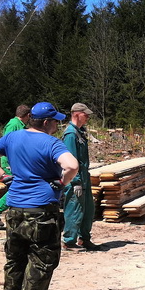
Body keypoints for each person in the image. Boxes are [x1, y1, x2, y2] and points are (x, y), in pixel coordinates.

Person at [0, 102, 79, 290]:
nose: (57, 126)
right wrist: (62, 182)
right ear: (46, 122)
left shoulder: (13, 137)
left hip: (15, 209)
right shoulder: (52, 143)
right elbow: (72, 165)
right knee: (42, 260)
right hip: (42, 210)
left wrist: (3, 176)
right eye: (55, 122)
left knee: (15, 259)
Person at [0, 104, 31, 230]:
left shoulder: (20, 125)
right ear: (27, 115)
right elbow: (8, 144)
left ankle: (14, 214)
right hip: (10, 163)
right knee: (17, 189)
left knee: (18, 188)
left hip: (16, 162)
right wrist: (11, 162)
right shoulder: (13, 125)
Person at [61, 103, 97, 251]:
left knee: (88, 209)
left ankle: (84, 238)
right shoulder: (70, 134)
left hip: (84, 176)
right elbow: (71, 160)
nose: (87, 117)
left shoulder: (79, 132)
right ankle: (69, 241)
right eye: (85, 114)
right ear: (76, 114)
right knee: (74, 208)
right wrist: (75, 180)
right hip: (76, 178)